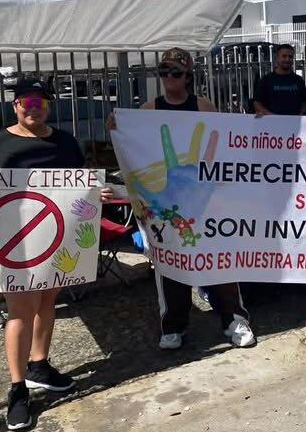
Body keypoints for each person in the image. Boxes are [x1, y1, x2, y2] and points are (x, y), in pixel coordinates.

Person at [0, 77, 113, 431]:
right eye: (27, 102)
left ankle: (39, 365)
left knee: (47, 302)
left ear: (49, 106)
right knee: (20, 311)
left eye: (40, 102)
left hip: (57, 238)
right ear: (15, 106)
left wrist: (97, 193)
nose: (33, 108)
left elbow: (81, 183)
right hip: (16, 242)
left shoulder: (65, 142)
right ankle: (17, 390)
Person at [107, 48, 256, 350]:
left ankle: (234, 319)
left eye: (176, 71)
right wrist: (115, 126)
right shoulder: (149, 108)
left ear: (188, 76)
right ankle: (174, 325)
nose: (169, 77)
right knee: (170, 262)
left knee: (218, 259)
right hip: (167, 201)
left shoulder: (203, 106)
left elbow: (222, 143)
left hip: (205, 196)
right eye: (164, 72)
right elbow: (133, 146)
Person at [253, 43, 306, 115]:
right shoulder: (266, 80)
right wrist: (273, 117)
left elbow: (305, 102)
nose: (287, 59)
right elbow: (257, 103)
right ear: (277, 58)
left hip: (295, 120)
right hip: (272, 120)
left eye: (290, 57)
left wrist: (301, 114)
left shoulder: (298, 80)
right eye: (284, 56)